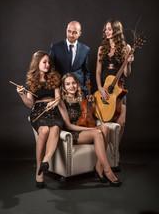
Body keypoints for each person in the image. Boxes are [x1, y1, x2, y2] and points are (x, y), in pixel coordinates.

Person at [59, 73, 122, 186]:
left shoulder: (81, 97)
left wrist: (92, 104)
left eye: (73, 83)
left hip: (84, 129)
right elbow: (68, 126)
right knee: (97, 133)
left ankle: (98, 166)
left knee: (105, 127)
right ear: (64, 87)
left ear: (77, 84)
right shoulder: (62, 102)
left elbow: (90, 115)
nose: (71, 86)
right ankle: (107, 171)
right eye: (68, 84)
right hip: (73, 133)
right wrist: (91, 130)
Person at [16, 51, 64, 188]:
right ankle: (39, 170)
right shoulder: (32, 80)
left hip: (53, 109)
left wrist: (54, 103)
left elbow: (58, 98)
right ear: (37, 63)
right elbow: (30, 104)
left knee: (55, 128)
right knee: (43, 131)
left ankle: (46, 161)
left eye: (48, 62)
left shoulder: (54, 77)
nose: (47, 64)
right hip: (38, 110)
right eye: (44, 62)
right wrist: (22, 95)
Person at [96, 20, 134, 158]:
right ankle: (105, 153)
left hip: (119, 90)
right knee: (106, 122)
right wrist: (100, 88)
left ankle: (114, 152)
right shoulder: (102, 49)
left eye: (110, 29)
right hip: (105, 90)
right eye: (106, 29)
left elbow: (127, 73)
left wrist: (128, 63)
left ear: (117, 31)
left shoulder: (126, 47)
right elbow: (98, 72)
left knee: (121, 123)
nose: (107, 31)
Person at [49, 21, 90, 95]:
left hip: (79, 89)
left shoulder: (85, 49)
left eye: (74, 32)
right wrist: (55, 87)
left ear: (80, 33)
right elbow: (50, 69)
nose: (71, 35)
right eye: (69, 31)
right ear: (66, 30)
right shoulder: (56, 47)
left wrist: (87, 89)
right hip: (60, 88)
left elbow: (86, 72)